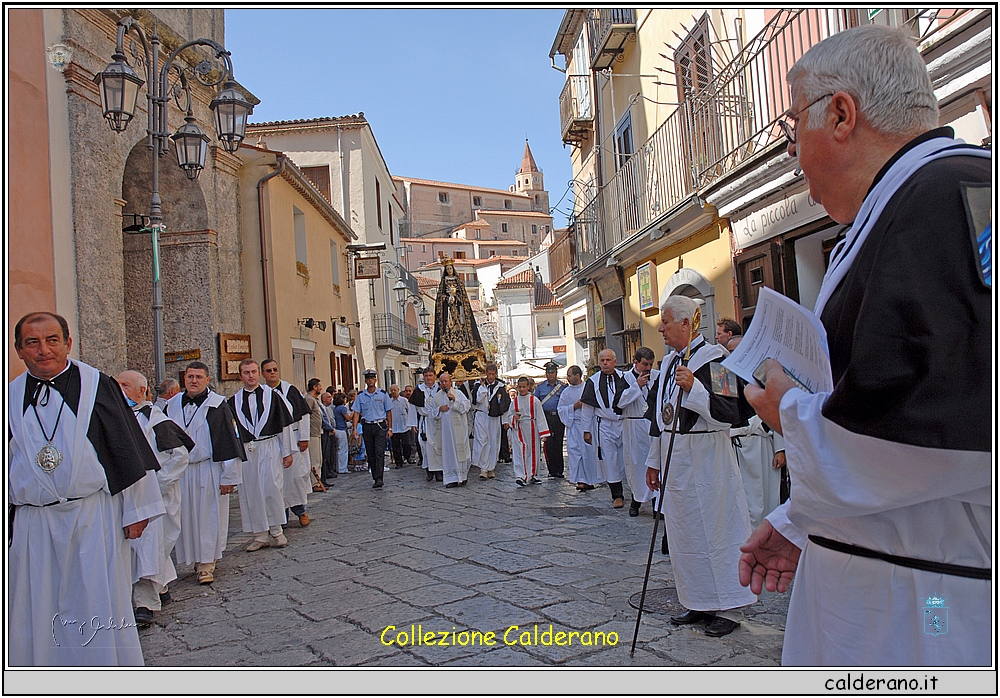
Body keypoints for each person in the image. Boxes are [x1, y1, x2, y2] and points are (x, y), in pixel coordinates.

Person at [739, 25, 991, 667]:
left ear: (843, 115)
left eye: (795, 127)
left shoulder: (937, 204)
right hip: (883, 575)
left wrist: (786, 409)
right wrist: (803, 522)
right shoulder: (909, 204)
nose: (795, 155)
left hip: (925, 606)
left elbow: (938, 436)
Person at [9, 312, 164, 666]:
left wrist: (137, 510)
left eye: (52, 340)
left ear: (68, 343)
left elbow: (126, 447)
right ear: (19, 350)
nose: (43, 350)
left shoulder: (98, 385)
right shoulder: (11, 395)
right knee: (34, 605)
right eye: (32, 342)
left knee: (95, 601)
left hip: (91, 516)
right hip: (34, 522)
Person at [645, 296, 756, 638]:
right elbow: (659, 416)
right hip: (675, 453)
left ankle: (730, 606)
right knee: (685, 531)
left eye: (665, 322)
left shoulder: (715, 359)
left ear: (685, 324)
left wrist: (695, 389)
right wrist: (653, 460)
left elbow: (730, 411)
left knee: (718, 529)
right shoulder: (666, 364)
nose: (660, 328)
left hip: (708, 455)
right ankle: (698, 600)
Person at [117, 370, 193, 628]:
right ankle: (160, 588)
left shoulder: (156, 420)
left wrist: (158, 486)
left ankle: (145, 602)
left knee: (149, 545)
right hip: (124, 491)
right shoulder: (114, 417)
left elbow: (180, 456)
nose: (119, 389)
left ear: (141, 390)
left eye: (125, 385)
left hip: (152, 494)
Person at [164, 361, 244, 586]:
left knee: (208, 516)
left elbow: (229, 439)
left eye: (199, 377)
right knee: (185, 516)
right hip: (181, 471)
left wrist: (229, 476)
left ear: (208, 380)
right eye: (190, 376)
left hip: (208, 468)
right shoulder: (171, 405)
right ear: (184, 379)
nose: (194, 380)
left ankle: (207, 563)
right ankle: (192, 560)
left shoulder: (218, 405)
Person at [229, 359, 295, 552]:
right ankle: (259, 534)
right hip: (248, 449)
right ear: (240, 376)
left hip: (269, 446)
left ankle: (276, 531)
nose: (250, 376)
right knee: (251, 490)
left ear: (258, 373)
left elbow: (285, 425)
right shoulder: (233, 401)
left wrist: (287, 451)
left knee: (272, 486)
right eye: (246, 373)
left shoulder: (273, 396)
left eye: (253, 372)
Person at [726, 336, 783, 531]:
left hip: (762, 443)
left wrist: (780, 449)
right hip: (736, 444)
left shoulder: (763, 374)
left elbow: (777, 409)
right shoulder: (723, 376)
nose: (734, 355)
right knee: (743, 498)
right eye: (730, 351)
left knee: (766, 495)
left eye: (737, 350)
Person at [260, 359, 311, 528]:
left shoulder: (290, 391)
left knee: (295, 479)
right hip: (274, 443)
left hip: (294, 439)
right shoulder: (262, 394)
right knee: (276, 482)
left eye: (275, 369)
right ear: (263, 374)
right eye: (268, 370)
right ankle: (280, 517)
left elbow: (303, 415)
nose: (272, 372)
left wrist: (304, 437)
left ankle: (301, 511)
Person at [581, 349, 627, 509]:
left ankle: (637, 493)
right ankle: (617, 495)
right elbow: (587, 408)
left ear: (614, 361)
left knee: (630, 456)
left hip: (624, 422)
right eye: (602, 361)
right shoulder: (593, 382)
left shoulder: (625, 378)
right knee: (609, 459)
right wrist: (586, 430)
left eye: (608, 360)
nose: (605, 363)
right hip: (605, 425)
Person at [617, 347, 659, 517]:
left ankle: (658, 504)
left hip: (652, 425)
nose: (648, 368)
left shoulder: (657, 375)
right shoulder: (626, 378)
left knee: (656, 463)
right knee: (636, 465)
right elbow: (618, 403)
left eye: (650, 364)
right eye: (644, 364)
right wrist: (636, 387)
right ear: (636, 362)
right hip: (634, 426)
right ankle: (636, 502)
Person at [558, 365, 600, 492]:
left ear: (577, 375)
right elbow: (560, 409)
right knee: (575, 453)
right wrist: (574, 406)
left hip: (587, 424)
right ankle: (581, 479)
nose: (568, 378)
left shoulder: (588, 387)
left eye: (569, 375)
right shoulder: (566, 392)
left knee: (588, 453)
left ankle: (591, 479)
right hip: (574, 425)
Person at [351, 368, 394, 488]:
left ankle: (379, 478)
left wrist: (390, 428)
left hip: (380, 426)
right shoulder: (361, 396)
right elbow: (356, 412)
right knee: (371, 452)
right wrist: (354, 428)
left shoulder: (382, 394)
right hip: (367, 425)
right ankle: (375, 476)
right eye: (368, 378)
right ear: (365, 381)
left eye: (372, 378)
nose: (370, 380)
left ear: (375, 379)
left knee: (379, 451)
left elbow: (389, 411)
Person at [430, 371, 472, 488]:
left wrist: (455, 401)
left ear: (450, 382)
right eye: (441, 382)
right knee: (449, 453)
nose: (444, 384)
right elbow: (431, 413)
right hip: (445, 433)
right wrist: (439, 409)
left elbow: (466, 407)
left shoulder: (458, 393)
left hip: (458, 431)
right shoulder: (436, 397)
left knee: (460, 453)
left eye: (446, 381)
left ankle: (462, 477)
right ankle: (451, 479)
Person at [507, 376, 549, 487]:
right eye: (519, 387)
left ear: (528, 387)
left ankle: (533, 475)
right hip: (519, 428)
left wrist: (543, 433)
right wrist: (513, 418)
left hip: (532, 428)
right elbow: (509, 415)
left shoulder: (534, 401)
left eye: (524, 387)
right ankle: (521, 475)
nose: (521, 389)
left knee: (533, 452)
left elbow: (540, 416)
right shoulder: (514, 402)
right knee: (520, 452)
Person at [470, 364, 510, 480]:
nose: (491, 377)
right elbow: (477, 400)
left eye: (493, 374)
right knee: (482, 440)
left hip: (494, 417)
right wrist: (482, 387)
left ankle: (491, 467)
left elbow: (505, 405)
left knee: (493, 441)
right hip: (482, 416)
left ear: (496, 374)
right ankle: (483, 468)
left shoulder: (500, 386)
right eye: (489, 374)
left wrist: (505, 421)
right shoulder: (478, 385)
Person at [534, 362, 566, 479]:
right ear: (546, 373)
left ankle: (559, 470)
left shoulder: (562, 387)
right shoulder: (540, 387)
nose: (550, 374)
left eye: (552, 372)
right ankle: (551, 470)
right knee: (548, 444)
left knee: (558, 442)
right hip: (545, 417)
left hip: (558, 417)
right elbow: (535, 402)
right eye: (548, 372)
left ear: (556, 373)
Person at [410, 367, 442, 482]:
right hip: (425, 421)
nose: (428, 378)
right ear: (423, 377)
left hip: (438, 421)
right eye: (426, 376)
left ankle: (439, 471)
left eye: (430, 375)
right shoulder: (419, 390)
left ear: (434, 376)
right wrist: (413, 423)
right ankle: (429, 470)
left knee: (438, 446)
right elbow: (413, 407)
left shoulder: (440, 388)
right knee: (425, 447)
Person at [304, 378, 327, 493]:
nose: (321, 388)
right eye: (319, 386)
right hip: (312, 433)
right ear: (314, 387)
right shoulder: (309, 399)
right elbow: (306, 415)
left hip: (317, 432)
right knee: (315, 459)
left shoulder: (314, 400)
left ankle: (317, 480)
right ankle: (314, 482)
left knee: (319, 458)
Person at [388, 384, 414, 469]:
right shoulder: (389, 402)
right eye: (391, 390)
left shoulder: (404, 401)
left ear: (398, 390)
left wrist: (411, 423)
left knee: (406, 444)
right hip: (394, 427)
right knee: (395, 446)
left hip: (404, 426)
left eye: (394, 390)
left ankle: (407, 457)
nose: (393, 392)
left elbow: (409, 411)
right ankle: (398, 462)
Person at [319, 389, 338, 486]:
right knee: (325, 455)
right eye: (329, 397)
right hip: (325, 433)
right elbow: (323, 420)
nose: (331, 399)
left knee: (329, 454)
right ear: (323, 399)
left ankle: (328, 472)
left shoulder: (328, 408)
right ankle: (324, 476)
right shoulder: (321, 407)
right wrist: (330, 429)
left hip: (329, 432)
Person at [331, 393, 352, 477]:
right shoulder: (342, 408)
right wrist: (354, 413)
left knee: (338, 449)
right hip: (341, 430)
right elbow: (348, 418)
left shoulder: (335, 408)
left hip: (337, 429)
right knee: (343, 450)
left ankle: (338, 467)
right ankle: (343, 468)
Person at [401, 385, 420, 464]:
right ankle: (406, 457)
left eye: (410, 391)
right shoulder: (403, 400)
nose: (408, 393)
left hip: (413, 424)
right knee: (406, 442)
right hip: (404, 425)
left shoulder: (415, 400)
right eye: (406, 391)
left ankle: (413, 456)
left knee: (414, 441)